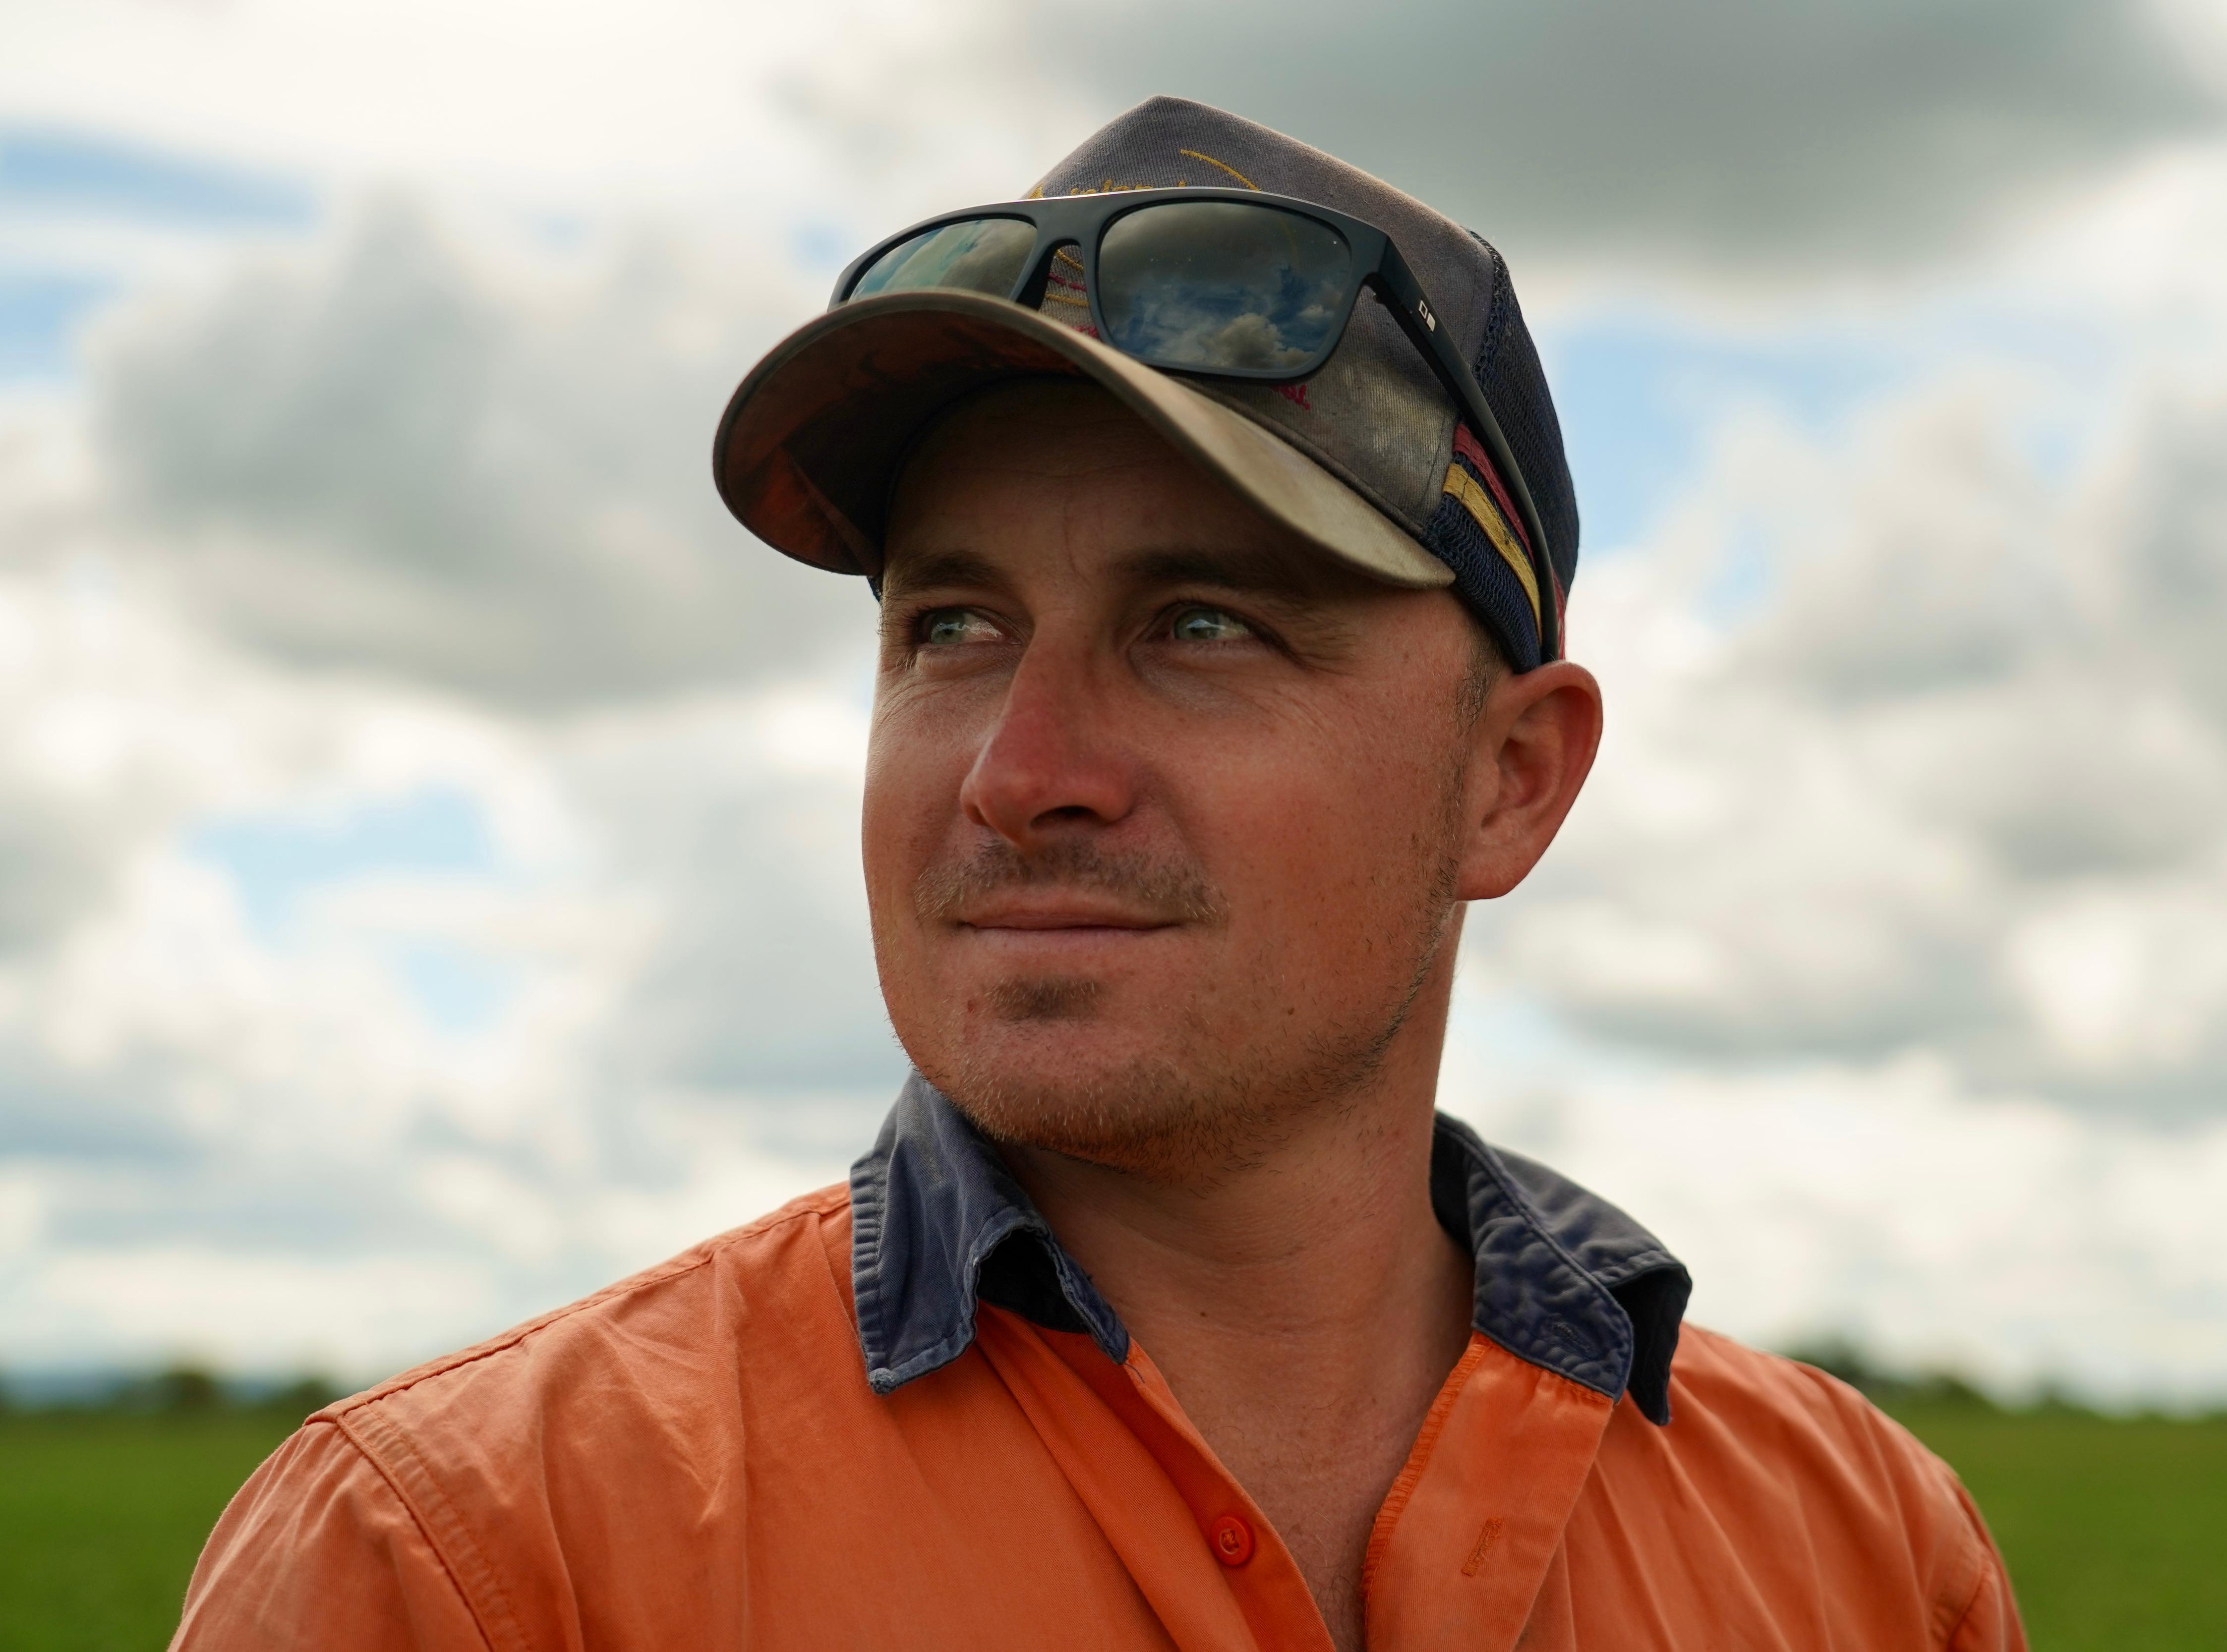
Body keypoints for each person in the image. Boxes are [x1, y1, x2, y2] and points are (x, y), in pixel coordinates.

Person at [173, 98, 2025, 1652]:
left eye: (1202, 622)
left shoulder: (1860, 1555)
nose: (1019, 772)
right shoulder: (467, 1568)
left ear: (1512, 780)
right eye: (953, 626)